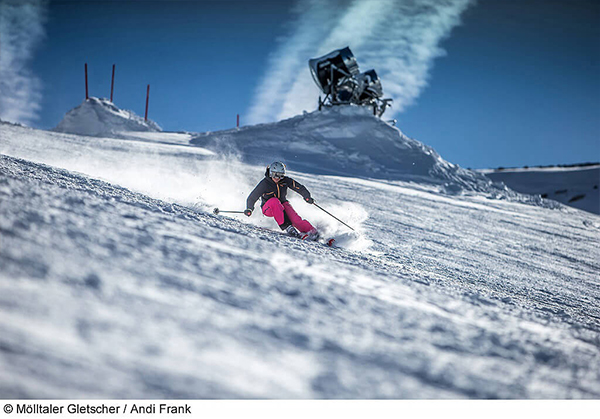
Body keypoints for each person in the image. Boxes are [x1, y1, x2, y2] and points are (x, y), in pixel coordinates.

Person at [245, 161, 319, 240]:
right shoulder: (265, 183)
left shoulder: (285, 181)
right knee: (274, 201)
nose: (277, 178)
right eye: (274, 175)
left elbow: (299, 187)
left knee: (295, 219)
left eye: (280, 175)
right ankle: (287, 227)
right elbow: (253, 197)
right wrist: (249, 208)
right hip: (268, 208)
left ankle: (313, 232)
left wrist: (307, 196)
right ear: (270, 173)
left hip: (282, 204)